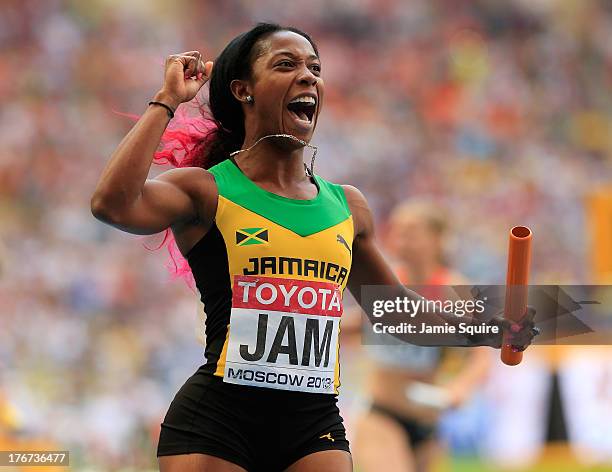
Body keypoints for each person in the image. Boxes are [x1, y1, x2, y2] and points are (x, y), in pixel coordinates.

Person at [91, 22, 537, 472]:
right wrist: (167, 100)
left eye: (315, 67)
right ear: (243, 90)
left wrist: (487, 325)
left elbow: (397, 312)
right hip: (217, 420)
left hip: (313, 423)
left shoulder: (348, 207)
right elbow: (111, 204)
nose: (308, 76)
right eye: (286, 65)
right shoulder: (204, 190)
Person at [353, 200, 491, 472]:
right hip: (381, 414)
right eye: (397, 230)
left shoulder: (456, 290)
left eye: (411, 231)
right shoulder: (385, 281)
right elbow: (356, 323)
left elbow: (481, 356)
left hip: (429, 424)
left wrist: (460, 388)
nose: (400, 239)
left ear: (437, 240)